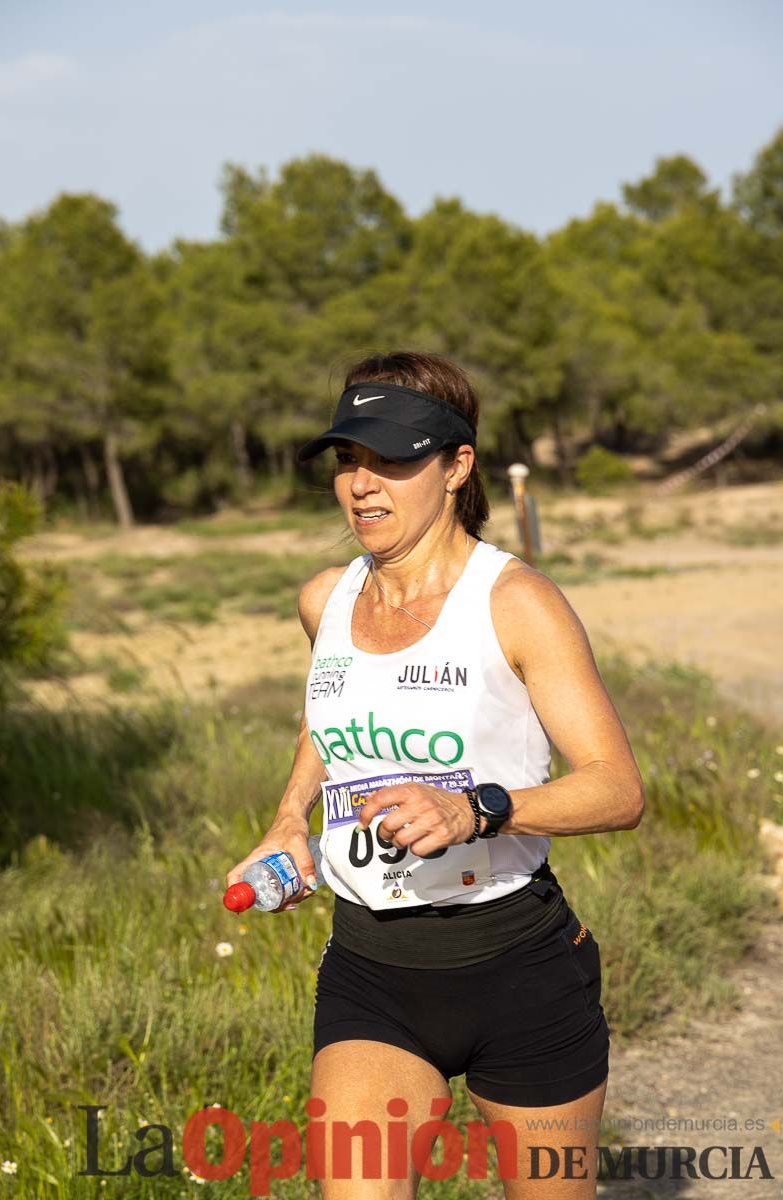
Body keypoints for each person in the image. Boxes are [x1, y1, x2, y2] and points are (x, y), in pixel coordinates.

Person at [226, 351, 645, 1199]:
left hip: (519, 970)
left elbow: (617, 788)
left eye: (394, 458)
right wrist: (286, 818)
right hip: (371, 971)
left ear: (457, 466)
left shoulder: (516, 601)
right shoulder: (324, 600)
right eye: (350, 460)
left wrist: (477, 811)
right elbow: (331, 721)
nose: (363, 485)